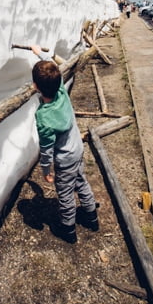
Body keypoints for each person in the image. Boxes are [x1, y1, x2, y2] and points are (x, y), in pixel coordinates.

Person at [31, 45, 99, 243]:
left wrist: (46, 170)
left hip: (65, 158)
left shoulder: (43, 116)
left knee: (66, 193)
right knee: (81, 181)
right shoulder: (61, 91)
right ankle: (91, 217)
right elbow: (54, 68)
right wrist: (41, 54)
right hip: (77, 149)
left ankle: (68, 229)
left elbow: (46, 148)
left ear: (35, 86)